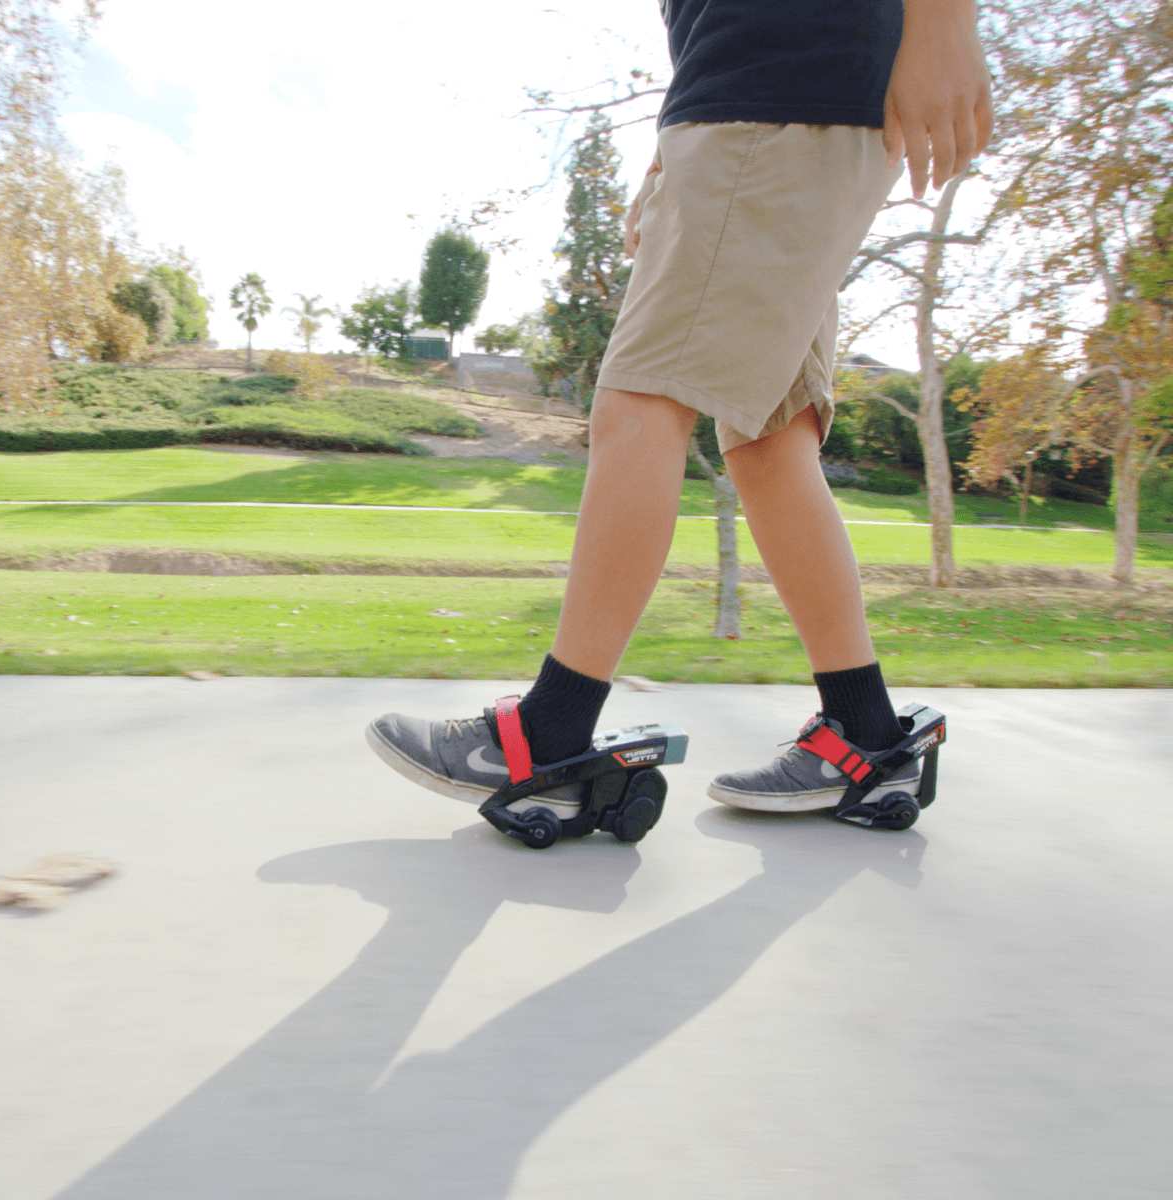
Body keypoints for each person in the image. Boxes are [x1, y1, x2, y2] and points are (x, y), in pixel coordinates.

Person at [368, 0, 993, 826]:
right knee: (770, 442)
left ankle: (548, 737)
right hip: (760, 95)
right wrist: (674, 143)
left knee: (642, 402)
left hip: (779, 86)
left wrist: (945, 22)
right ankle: (867, 736)